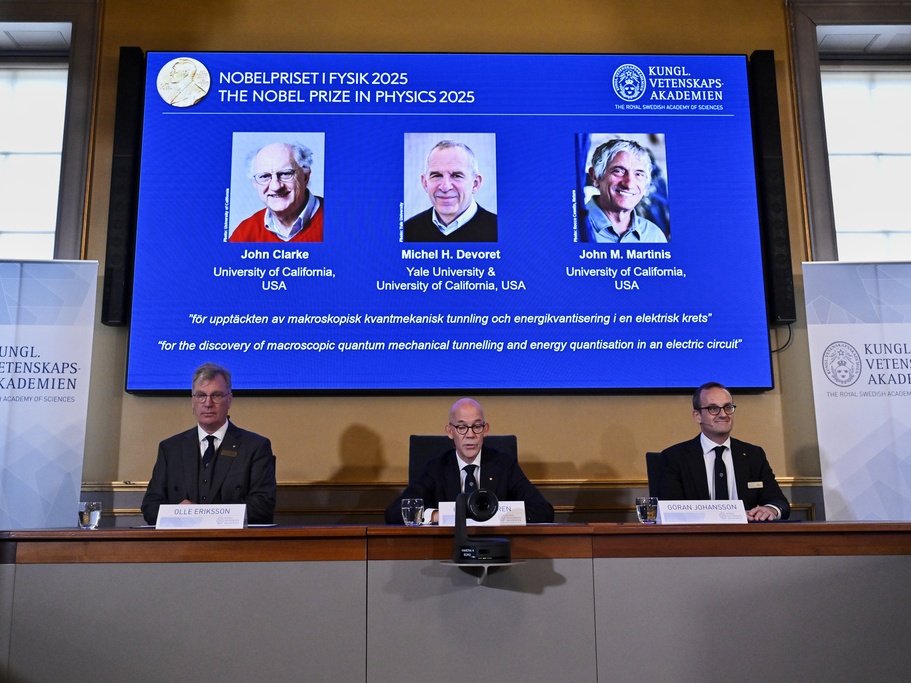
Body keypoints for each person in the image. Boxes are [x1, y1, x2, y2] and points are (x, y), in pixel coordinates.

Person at [141, 363, 277, 525]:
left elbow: (262, 505)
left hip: (235, 545)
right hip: (181, 545)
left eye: (216, 395)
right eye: (201, 395)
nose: (208, 403)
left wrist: (204, 516)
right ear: (193, 401)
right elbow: (150, 507)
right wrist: (178, 513)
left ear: (229, 400)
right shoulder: (170, 449)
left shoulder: (255, 447)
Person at [384, 398, 554, 524]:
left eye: (477, 426)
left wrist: (496, 514)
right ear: (450, 431)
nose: (470, 435)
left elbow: (544, 511)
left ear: (485, 429)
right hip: (446, 550)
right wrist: (439, 515)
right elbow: (394, 513)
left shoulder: (504, 465)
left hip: (497, 548)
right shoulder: (436, 468)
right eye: (462, 427)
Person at [659, 382, 790, 521]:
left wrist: (771, 510)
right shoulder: (674, 457)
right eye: (713, 408)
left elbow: (779, 502)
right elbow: (670, 510)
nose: (723, 414)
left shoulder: (753, 455)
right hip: (695, 539)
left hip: (745, 539)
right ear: (697, 416)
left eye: (728, 407)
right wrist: (724, 517)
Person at [403, 140, 497, 242]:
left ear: (475, 184)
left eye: (456, 176)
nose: (445, 187)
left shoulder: (500, 231)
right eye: (437, 175)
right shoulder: (406, 232)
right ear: (425, 183)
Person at [229, 141, 324, 243]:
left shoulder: (338, 220)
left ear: (305, 177)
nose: (276, 187)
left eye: (285, 174)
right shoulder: (244, 233)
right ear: (254, 183)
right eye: (264, 176)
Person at [579, 138, 668, 243]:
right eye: (618, 171)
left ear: (646, 186)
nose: (629, 184)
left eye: (638, 174)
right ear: (595, 176)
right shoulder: (573, 228)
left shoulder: (654, 236)